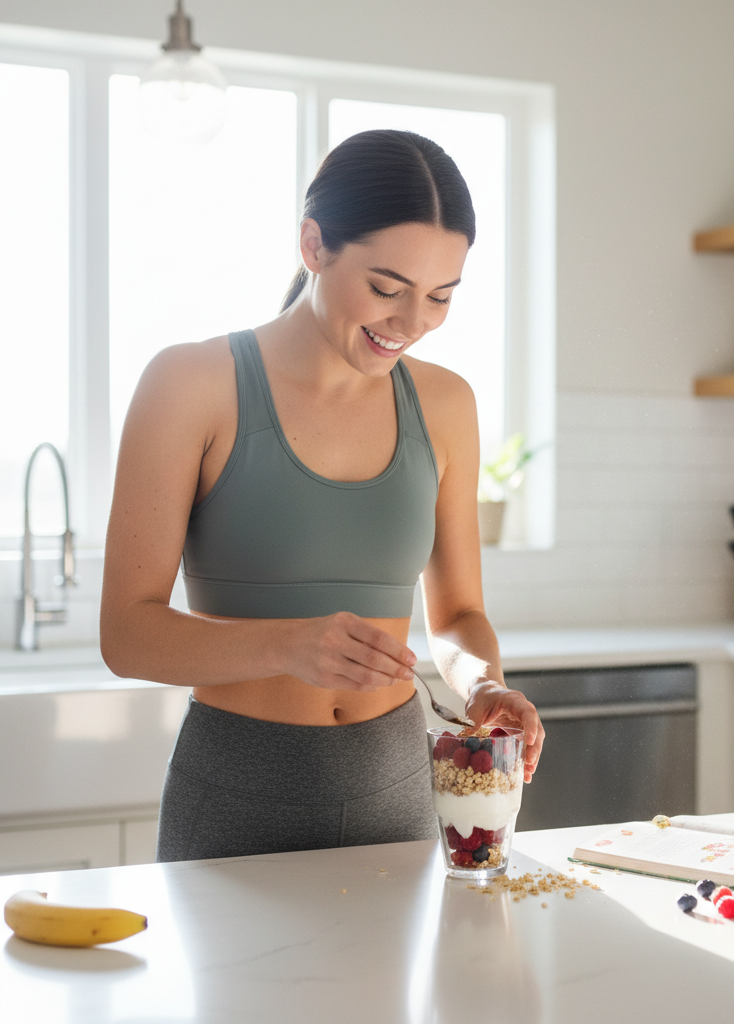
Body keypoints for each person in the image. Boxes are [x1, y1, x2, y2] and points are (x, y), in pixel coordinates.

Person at [100, 129, 544, 862]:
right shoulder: (190, 385)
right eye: (385, 287)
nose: (412, 323)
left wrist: (484, 685)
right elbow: (126, 632)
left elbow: (459, 614)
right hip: (237, 790)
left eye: (440, 296)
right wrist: (285, 644)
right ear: (313, 246)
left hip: (398, 786)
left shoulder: (446, 405)